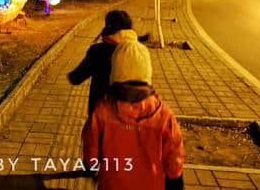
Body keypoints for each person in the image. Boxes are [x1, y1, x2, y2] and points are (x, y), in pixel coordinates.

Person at [82, 38, 184, 190]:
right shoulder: (164, 116)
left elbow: (90, 158)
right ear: (147, 71)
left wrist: (94, 169)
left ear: (115, 71)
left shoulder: (102, 112)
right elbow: (174, 165)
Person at [68, 10, 148, 116]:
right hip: (130, 115)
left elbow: (76, 78)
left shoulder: (98, 51)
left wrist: (70, 75)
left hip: (101, 116)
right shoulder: (139, 51)